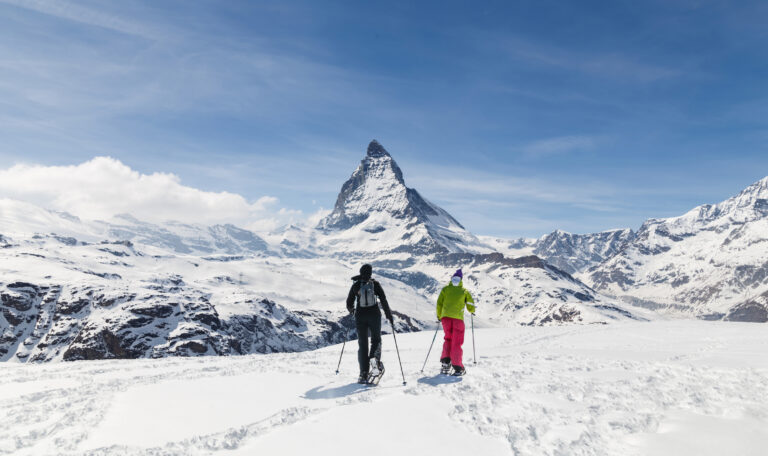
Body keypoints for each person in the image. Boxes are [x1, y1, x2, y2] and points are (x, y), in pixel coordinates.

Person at [346, 264, 394, 384]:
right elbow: (383, 300)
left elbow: (349, 303)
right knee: (376, 340)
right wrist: (389, 315)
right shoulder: (375, 284)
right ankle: (374, 362)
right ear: (371, 273)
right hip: (374, 315)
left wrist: (353, 311)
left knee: (363, 344)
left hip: (360, 316)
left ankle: (363, 373)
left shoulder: (356, 285)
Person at [436, 269, 475, 376]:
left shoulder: (445, 290)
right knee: (456, 342)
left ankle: (445, 364)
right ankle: (458, 367)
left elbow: (439, 304)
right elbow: (470, 303)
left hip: (445, 319)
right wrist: (472, 311)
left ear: (452, 279)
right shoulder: (464, 291)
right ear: (461, 279)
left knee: (447, 339)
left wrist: (439, 316)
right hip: (457, 319)